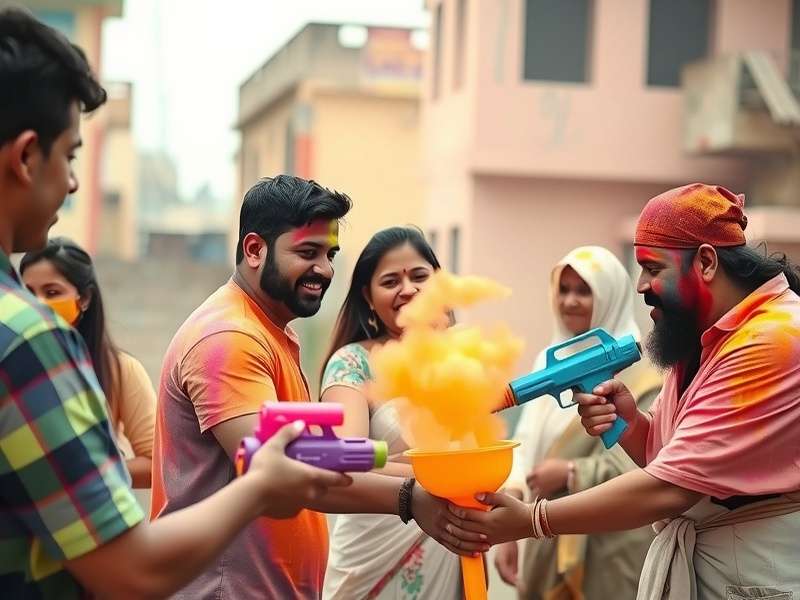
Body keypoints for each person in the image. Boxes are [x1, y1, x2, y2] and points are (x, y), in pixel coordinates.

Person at [0, 9, 351, 599]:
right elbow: (129, 570)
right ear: (27, 156)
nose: (73, 183)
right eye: (71, 155)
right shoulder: (26, 337)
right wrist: (261, 486)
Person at [442, 184, 800, 600]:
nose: (641, 286)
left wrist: (532, 520)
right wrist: (631, 424)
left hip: (756, 573)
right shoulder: (705, 337)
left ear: (705, 261)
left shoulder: (772, 338)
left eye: (653, 268)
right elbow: (667, 458)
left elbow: (670, 488)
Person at [151, 178, 464, 599]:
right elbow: (287, 469)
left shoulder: (270, 333)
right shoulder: (228, 339)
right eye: (307, 252)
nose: (325, 270)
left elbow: (326, 457)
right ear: (255, 250)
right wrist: (411, 496)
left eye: (330, 254)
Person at [495, 246, 659, 599]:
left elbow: (647, 466)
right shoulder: (549, 362)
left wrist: (570, 472)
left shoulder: (643, 378)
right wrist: (512, 521)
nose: (570, 301)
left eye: (584, 291)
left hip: (610, 550)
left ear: (610, 295)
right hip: (546, 532)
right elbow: (524, 447)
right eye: (564, 289)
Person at [320, 227, 461, 599]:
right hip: (370, 561)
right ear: (368, 296)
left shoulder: (463, 362)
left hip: (448, 546)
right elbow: (342, 459)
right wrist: (442, 472)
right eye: (390, 281)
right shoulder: (353, 364)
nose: (408, 289)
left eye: (419, 277)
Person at [20, 237, 156, 492]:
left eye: (52, 293)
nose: (38, 304)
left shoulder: (119, 369)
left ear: (84, 298)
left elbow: (154, 464)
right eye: (28, 293)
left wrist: (84, 473)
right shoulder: (11, 365)